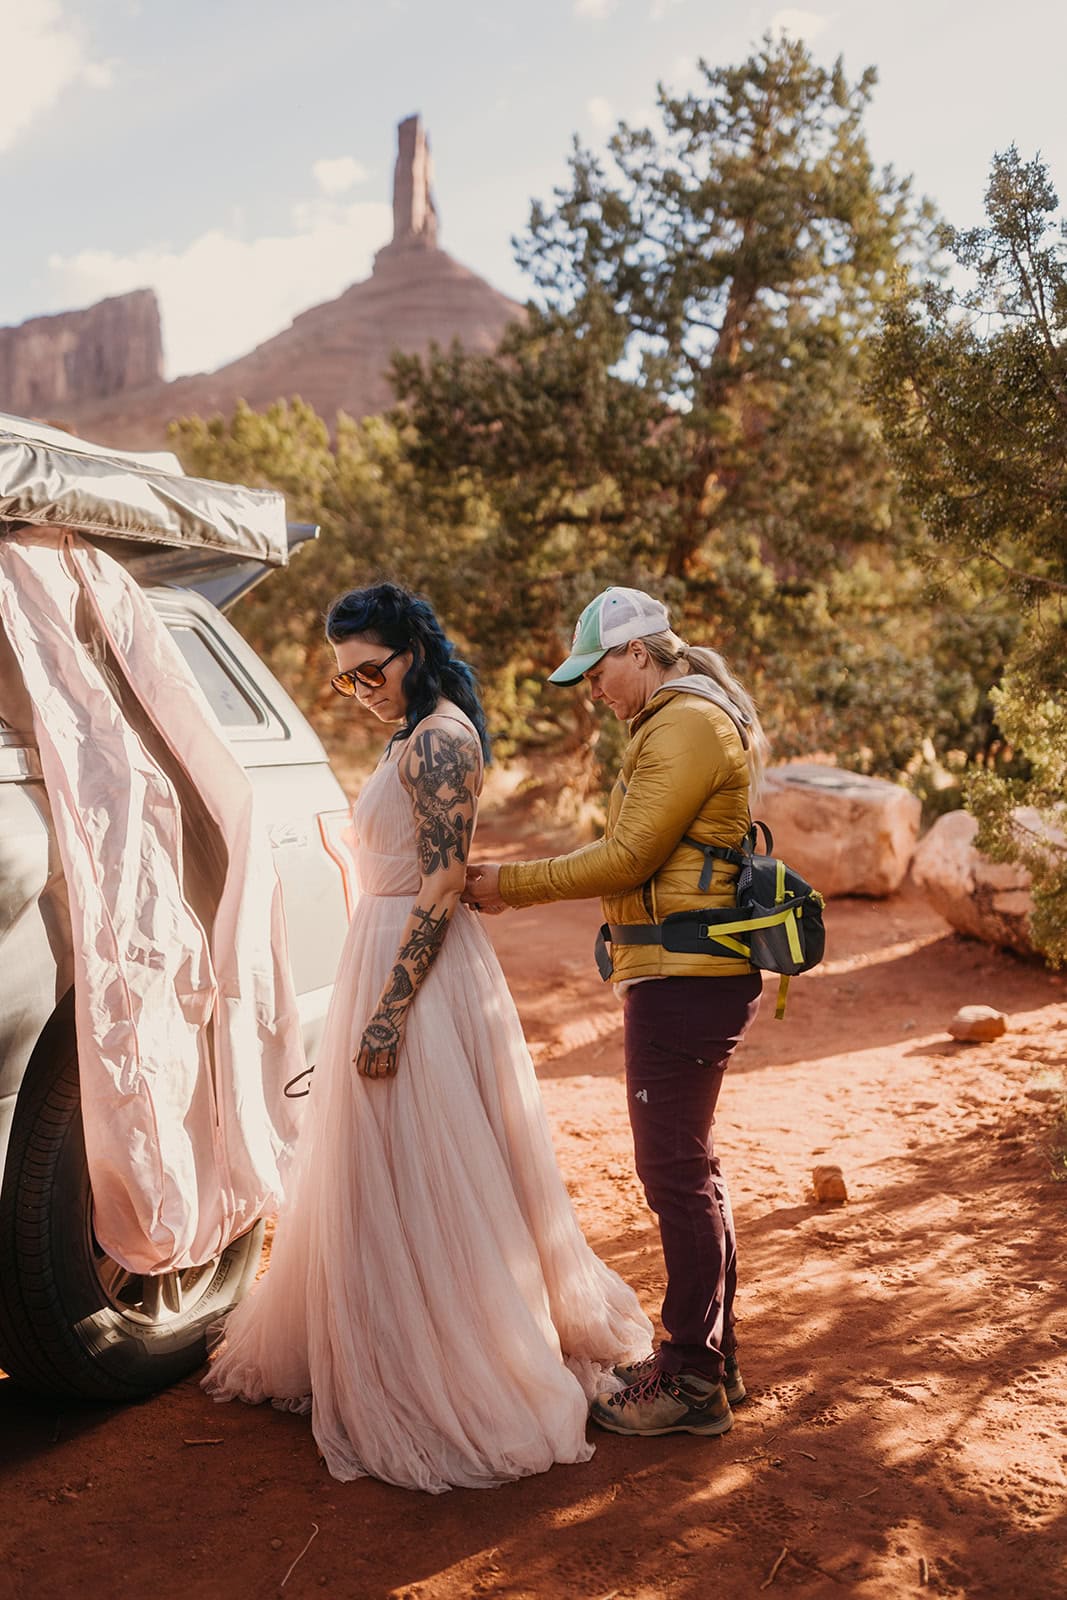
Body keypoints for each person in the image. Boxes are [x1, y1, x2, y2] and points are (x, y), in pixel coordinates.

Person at [202, 581, 652, 1491]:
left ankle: (458, 1356)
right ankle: (385, 1334)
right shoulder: (408, 735)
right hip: (386, 949)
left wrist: (389, 1011)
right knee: (383, 1168)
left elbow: (442, 886)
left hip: (422, 972)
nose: (362, 690)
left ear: (413, 648)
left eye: (372, 669)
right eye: (345, 681)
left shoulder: (442, 738)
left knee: (434, 1163)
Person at [464, 585, 768, 1440]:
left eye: (596, 671)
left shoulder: (680, 723)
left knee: (672, 1171)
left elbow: (628, 855)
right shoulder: (681, 719)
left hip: (686, 976)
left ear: (639, 653)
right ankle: (711, 1359)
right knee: (690, 1167)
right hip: (686, 968)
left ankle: (693, 1382)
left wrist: (506, 886)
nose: (592, 689)